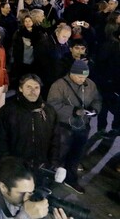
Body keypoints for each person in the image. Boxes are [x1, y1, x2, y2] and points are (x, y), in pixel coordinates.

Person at [47, 59, 102, 194]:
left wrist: (95, 110)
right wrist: (73, 111)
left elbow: (97, 99)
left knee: (76, 155)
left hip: (83, 127)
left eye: (85, 77)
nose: (82, 80)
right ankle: (49, 180)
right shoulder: (59, 85)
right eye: (79, 76)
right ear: (71, 73)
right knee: (59, 155)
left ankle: (70, 179)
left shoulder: (90, 85)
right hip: (64, 128)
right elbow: (52, 105)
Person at [0, 156, 70, 219]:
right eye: (22, 193)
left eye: (31, 192)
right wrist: (26, 215)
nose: (27, 198)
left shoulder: (21, 195)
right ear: (3, 187)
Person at [0, 74, 58, 171]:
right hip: (15, 169)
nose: (33, 91)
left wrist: (53, 163)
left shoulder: (49, 111)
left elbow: (56, 140)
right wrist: (7, 164)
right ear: (20, 89)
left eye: (36, 87)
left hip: (42, 168)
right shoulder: (8, 110)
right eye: (28, 87)